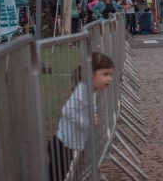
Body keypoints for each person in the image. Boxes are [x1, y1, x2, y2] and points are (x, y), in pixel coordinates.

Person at [48, 52, 114, 181]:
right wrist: (87, 121)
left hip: (69, 145)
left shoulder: (91, 91)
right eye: (105, 74)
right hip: (62, 146)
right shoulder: (82, 91)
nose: (109, 79)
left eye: (110, 75)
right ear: (91, 75)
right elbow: (66, 111)